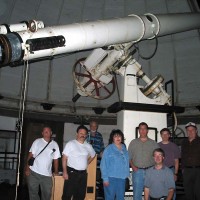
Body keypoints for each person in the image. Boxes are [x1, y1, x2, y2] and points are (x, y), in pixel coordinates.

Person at [25, 126, 61, 200]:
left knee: (47, 194)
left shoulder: (55, 144)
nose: (46, 132)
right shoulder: (37, 141)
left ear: (51, 133)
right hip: (34, 172)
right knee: (33, 193)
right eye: (45, 131)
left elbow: (56, 159)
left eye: (48, 131)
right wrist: (27, 168)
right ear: (42, 133)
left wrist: (56, 171)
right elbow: (30, 155)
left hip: (47, 175)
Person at [62, 125, 96, 200]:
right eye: (81, 133)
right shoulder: (70, 144)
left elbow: (93, 155)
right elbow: (64, 158)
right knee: (67, 195)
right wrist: (64, 172)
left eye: (84, 134)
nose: (82, 135)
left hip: (83, 174)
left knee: (80, 196)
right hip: (71, 173)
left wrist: (87, 162)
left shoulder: (88, 146)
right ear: (77, 134)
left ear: (86, 135)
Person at [128, 122, 159, 200]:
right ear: (139, 130)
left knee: (149, 195)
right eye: (141, 129)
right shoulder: (133, 142)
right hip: (137, 172)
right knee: (137, 195)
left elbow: (158, 157)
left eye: (144, 128)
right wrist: (133, 167)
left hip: (150, 171)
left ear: (147, 130)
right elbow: (128, 157)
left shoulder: (153, 143)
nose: (142, 130)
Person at [100, 129, 130, 200]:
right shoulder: (108, 149)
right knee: (110, 198)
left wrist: (126, 176)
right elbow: (103, 164)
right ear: (112, 138)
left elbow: (126, 163)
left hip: (122, 178)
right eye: (115, 136)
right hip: (111, 178)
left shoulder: (124, 148)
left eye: (119, 136)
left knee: (120, 198)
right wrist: (105, 179)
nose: (118, 138)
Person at [158, 128, 181, 200]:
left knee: (172, 190)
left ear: (169, 135)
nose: (165, 136)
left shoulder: (174, 146)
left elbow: (176, 161)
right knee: (160, 189)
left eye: (166, 134)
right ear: (161, 135)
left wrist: (175, 173)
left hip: (171, 170)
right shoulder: (157, 146)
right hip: (160, 170)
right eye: (163, 134)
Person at [181, 122, 200, 200]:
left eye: (192, 130)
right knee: (188, 192)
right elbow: (182, 156)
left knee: (198, 192)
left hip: (198, 170)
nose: (190, 132)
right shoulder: (184, 142)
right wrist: (182, 169)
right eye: (188, 130)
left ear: (196, 131)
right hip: (187, 171)